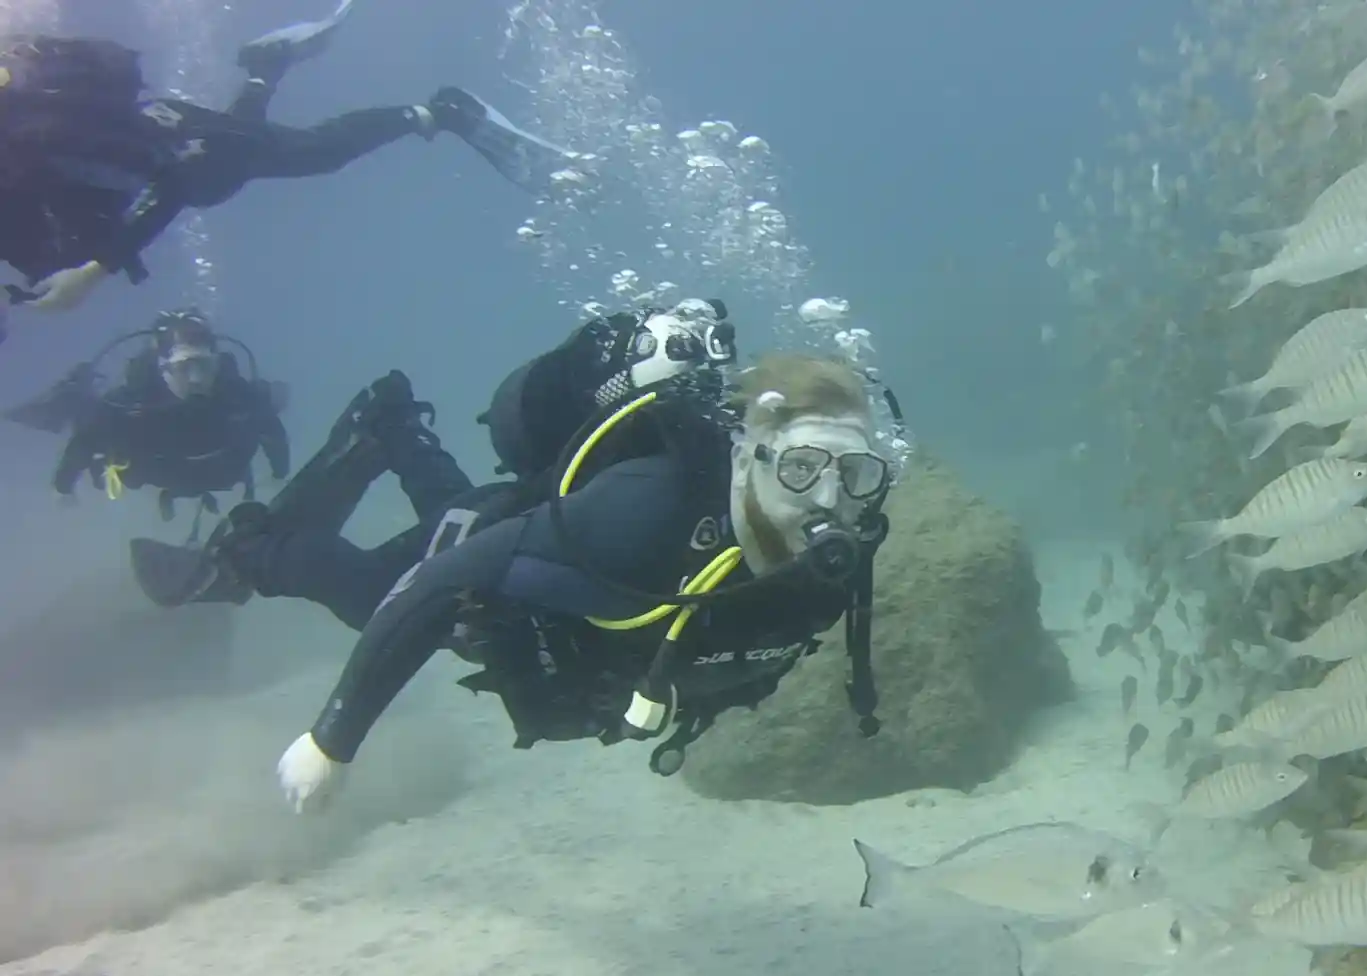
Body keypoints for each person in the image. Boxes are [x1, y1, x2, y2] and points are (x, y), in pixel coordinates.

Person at [134, 300, 907, 812]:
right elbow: (447, 578)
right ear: (749, 454)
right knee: (373, 590)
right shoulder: (641, 511)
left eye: (857, 475)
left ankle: (396, 430)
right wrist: (332, 742)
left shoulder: (841, 548)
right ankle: (250, 553)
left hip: (543, 563)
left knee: (461, 507)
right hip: (486, 584)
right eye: (802, 468)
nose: (829, 500)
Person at [0, 1, 576, 312]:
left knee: (300, 155)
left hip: (173, 140)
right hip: (169, 140)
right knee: (234, 158)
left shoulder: (36, 134)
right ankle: (267, 63)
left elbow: (173, 181)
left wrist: (93, 274)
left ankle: (439, 111)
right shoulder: (24, 154)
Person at [8, 308, 290, 528]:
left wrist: (280, 471)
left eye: (204, 366)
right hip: (161, 474)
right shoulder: (129, 403)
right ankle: (72, 396)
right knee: (92, 417)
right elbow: (86, 441)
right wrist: (63, 486)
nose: (195, 379)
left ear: (216, 363)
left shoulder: (239, 395)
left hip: (210, 474)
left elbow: (272, 430)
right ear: (163, 367)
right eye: (184, 368)